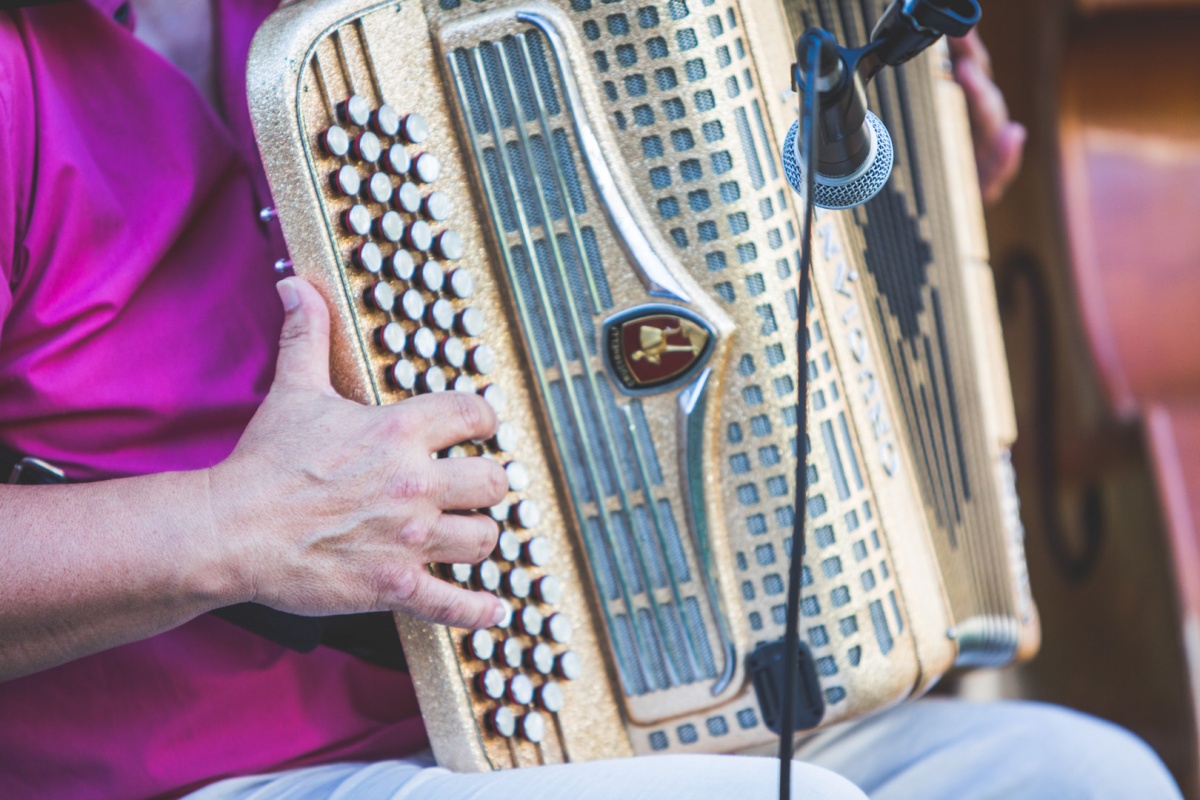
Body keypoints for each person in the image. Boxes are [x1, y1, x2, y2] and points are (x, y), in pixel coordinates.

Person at [0, 1, 1180, 799]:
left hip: (563, 713)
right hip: (202, 771)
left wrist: (876, 176)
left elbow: (649, 275)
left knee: (1081, 775)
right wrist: (229, 525)